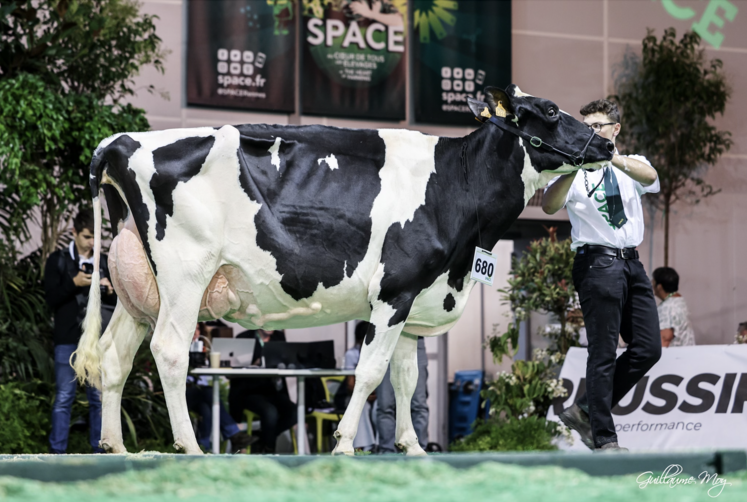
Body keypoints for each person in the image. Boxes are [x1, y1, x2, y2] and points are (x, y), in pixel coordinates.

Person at [542, 99, 662, 451]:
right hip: (597, 264)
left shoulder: (631, 163)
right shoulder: (574, 170)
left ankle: (584, 411)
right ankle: (605, 440)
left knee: (648, 349)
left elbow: (651, 178)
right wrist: (573, 167)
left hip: (633, 264)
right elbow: (549, 205)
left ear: (615, 130)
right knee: (603, 352)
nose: (590, 132)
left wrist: (608, 156)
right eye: (586, 127)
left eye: (597, 126)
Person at [44, 209, 116, 453]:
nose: (92, 242)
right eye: (87, 237)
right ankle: (57, 454)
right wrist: (73, 284)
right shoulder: (59, 259)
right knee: (64, 397)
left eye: (95, 237)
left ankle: (100, 453)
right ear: (74, 232)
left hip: (97, 341)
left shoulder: (104, 262)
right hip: (67, 339)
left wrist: (108, 290)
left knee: (98, 399)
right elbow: (50, 298)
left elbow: (118, 305)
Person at [186, 323, 255, 453]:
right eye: (192, 328)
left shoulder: (203, 347)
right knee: (209, 391)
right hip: (185, 392)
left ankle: (203, 447)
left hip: (200, 393)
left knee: (206, 409)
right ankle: (234, 435)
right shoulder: (179, 347)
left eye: (197, 328)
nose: (195, 332)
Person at [228, 329, 297, 453]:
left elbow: (285, 360)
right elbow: (233, 369)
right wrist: (253, 365)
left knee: (295, 411)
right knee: (270, 412)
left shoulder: (279, 337)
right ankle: (269, 451)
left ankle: (262, 439)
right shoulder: (244, 337)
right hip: (249, 391)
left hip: (272, 390)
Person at [376, 334, 429, 453]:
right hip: (385, 341)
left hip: (414, 339)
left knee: (419, 405)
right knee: (385, 405)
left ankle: (419, 450)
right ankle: (387, 453)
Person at [334, 321, 377, 451]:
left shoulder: (378, 355)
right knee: (361, 406)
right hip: (354, 395)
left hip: (376, 395)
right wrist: (367, 395)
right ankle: (362, 447)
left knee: (380, 409)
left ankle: (380, 445)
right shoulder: (352, 354)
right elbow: (350, 385)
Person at [652, 267, 695, 347]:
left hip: (673, 357)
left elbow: (664, 339)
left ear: (659, 287)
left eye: (653, 282)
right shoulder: (678, 300)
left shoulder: (668, 307)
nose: (651, 285)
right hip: (685, 356)